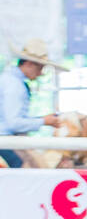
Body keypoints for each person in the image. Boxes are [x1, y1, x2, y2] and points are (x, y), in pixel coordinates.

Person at [0, 38, 64, 168]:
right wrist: (44, 121)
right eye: (40, 68)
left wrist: (43, 119)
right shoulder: (14, 85)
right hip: (5, 141)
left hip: (7, 139)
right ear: (29, 64)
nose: (40, 73)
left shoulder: (11, 81)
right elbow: (14, 123)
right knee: (26, 169)